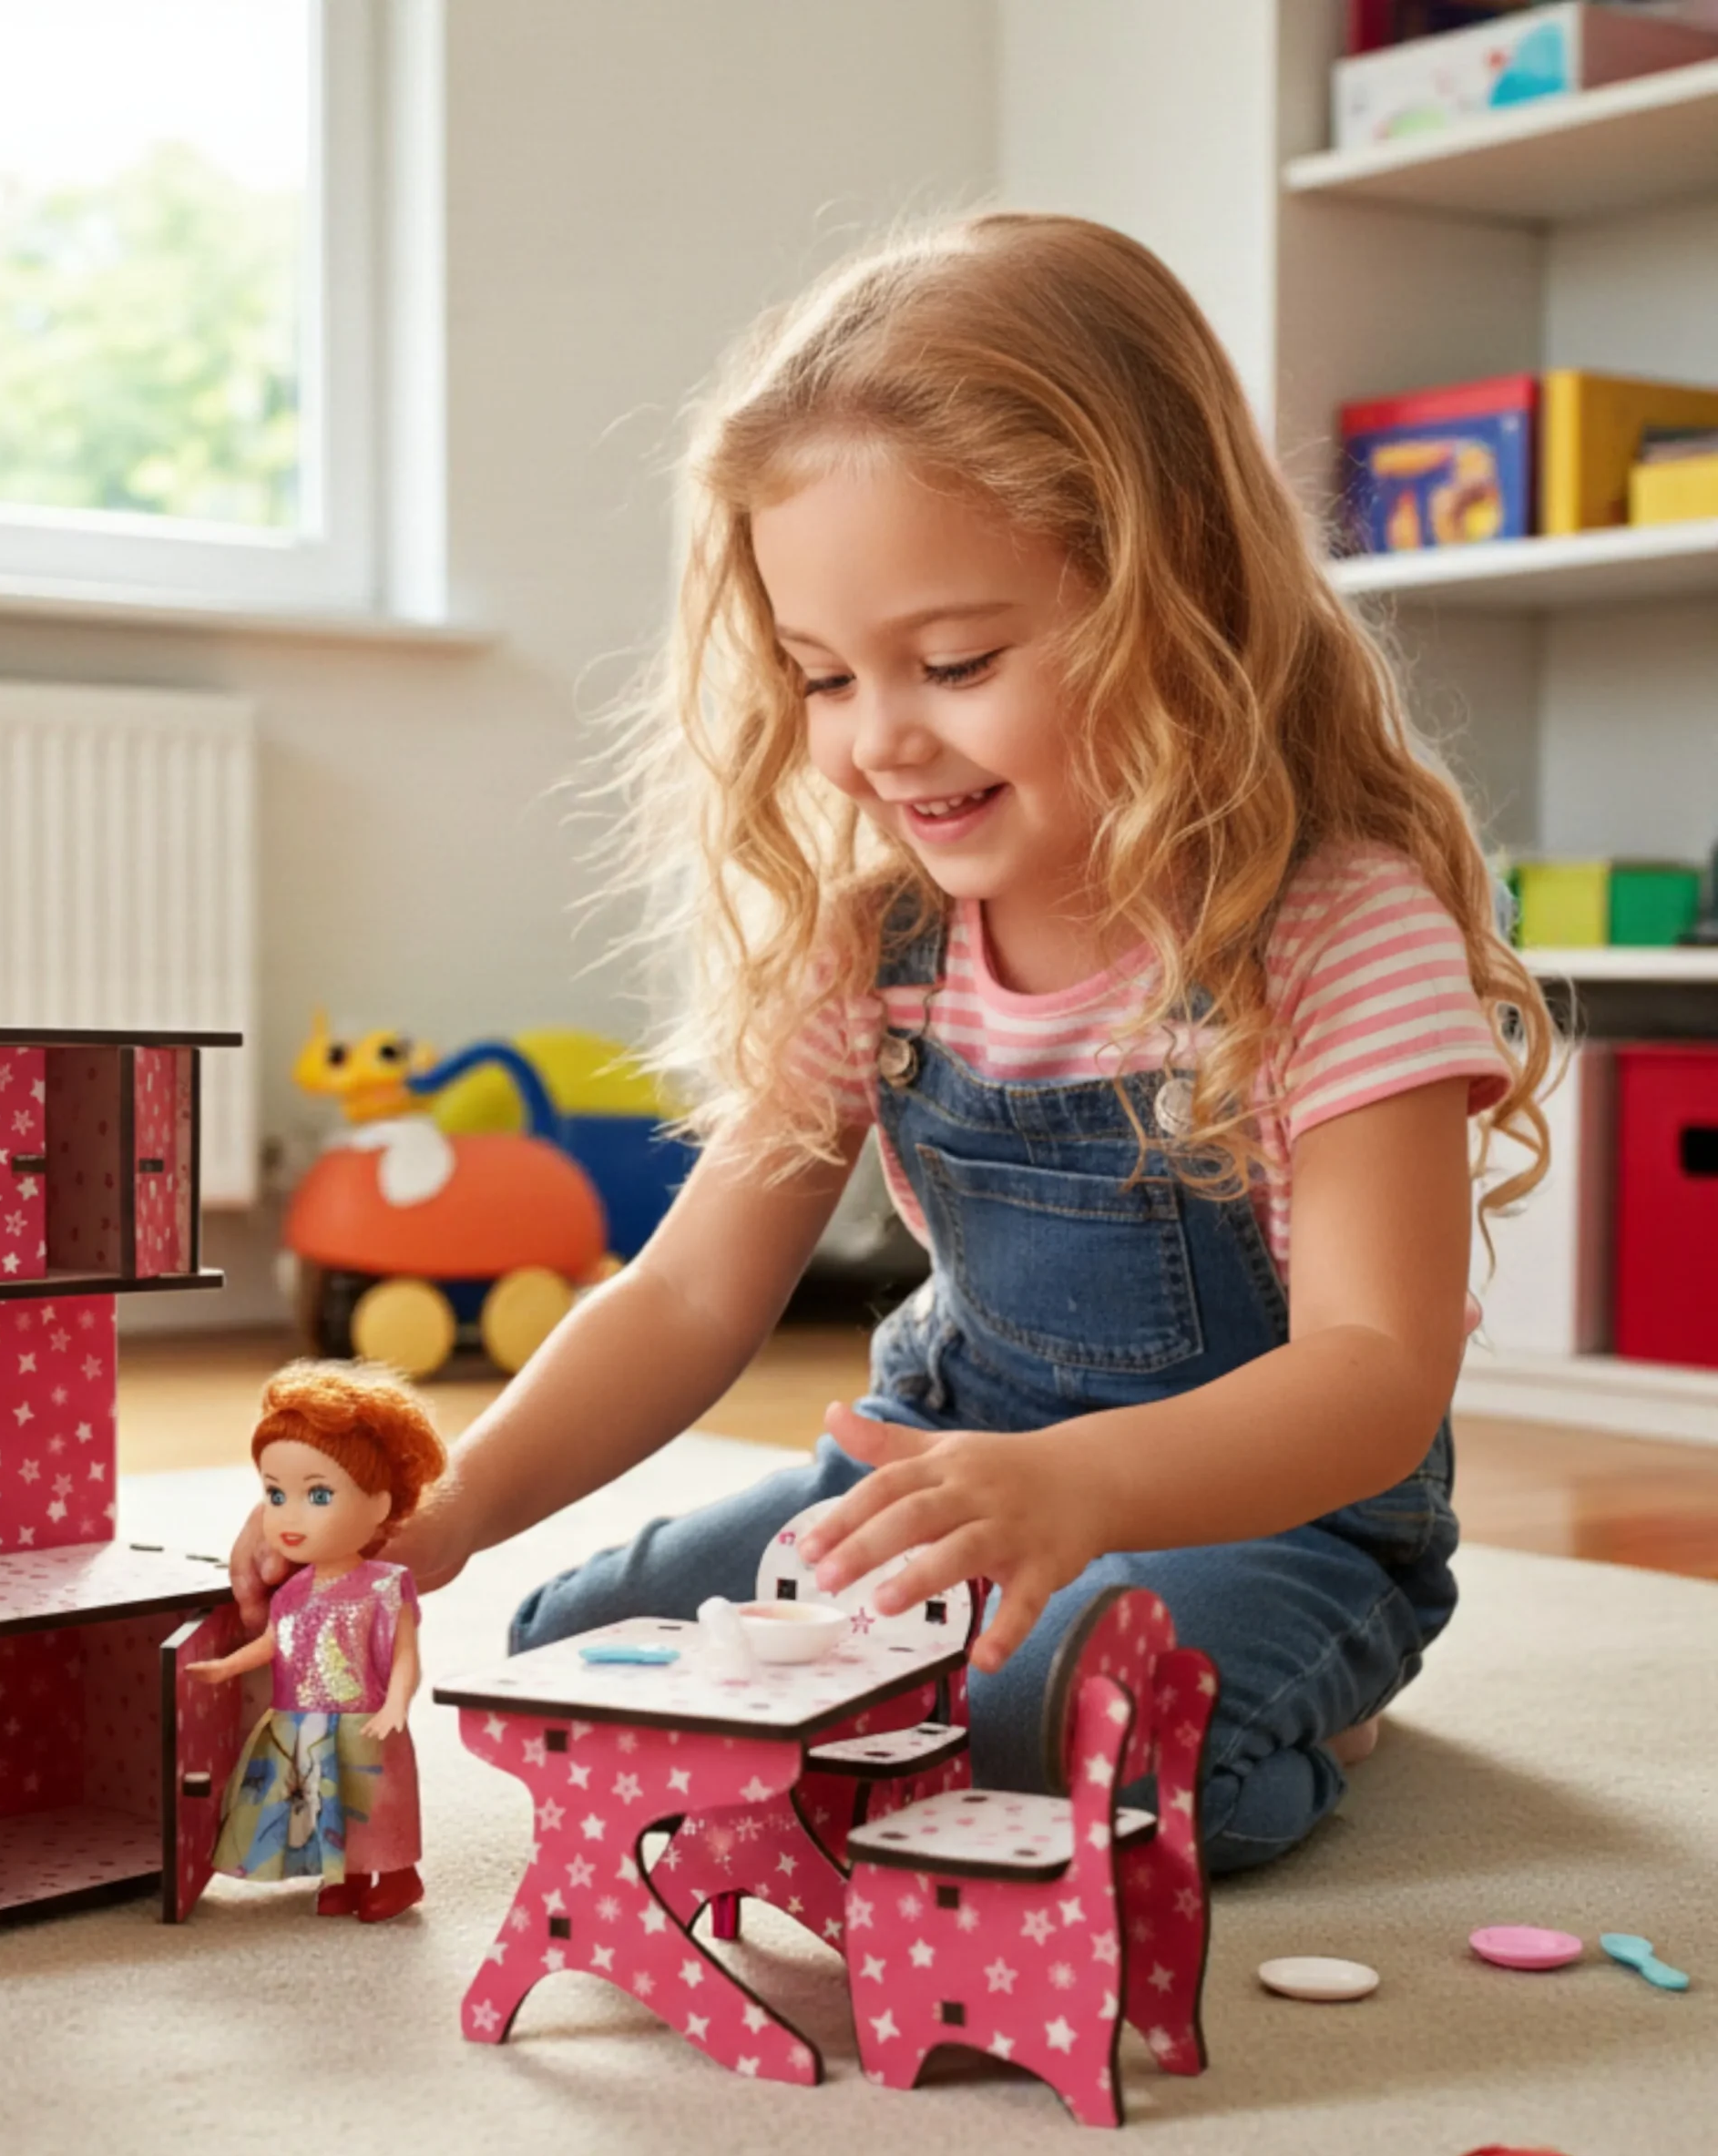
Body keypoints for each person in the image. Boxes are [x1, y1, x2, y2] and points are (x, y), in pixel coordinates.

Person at [233, 211, 1557, 1874]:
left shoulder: (1335, 928)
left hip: (1265, 1521)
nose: (877, 741)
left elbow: (1373, 1380)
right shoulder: (884, 946)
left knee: (1051, 1751)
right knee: (580, 1664)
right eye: (821, 678)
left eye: (953, 661)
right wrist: (455, 1516)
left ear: (1179, 595)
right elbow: (693, 1292)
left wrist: (1079, 1492)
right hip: (934, 1488)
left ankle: (1320, 1713)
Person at [196, 1362, 444, 1920]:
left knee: (374, 1801)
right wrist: (226, 1667)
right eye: (275, 1496)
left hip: (364, 1717)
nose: (289, 1516)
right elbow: (275, 1646)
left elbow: (405, 1655)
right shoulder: (294, 1592)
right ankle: (347, 1877)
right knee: (323, 1800)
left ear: (379, 1506)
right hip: (303, 1720)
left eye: (319, 1495)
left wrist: (397, 1702)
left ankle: (399, 1877)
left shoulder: (384, 1585)